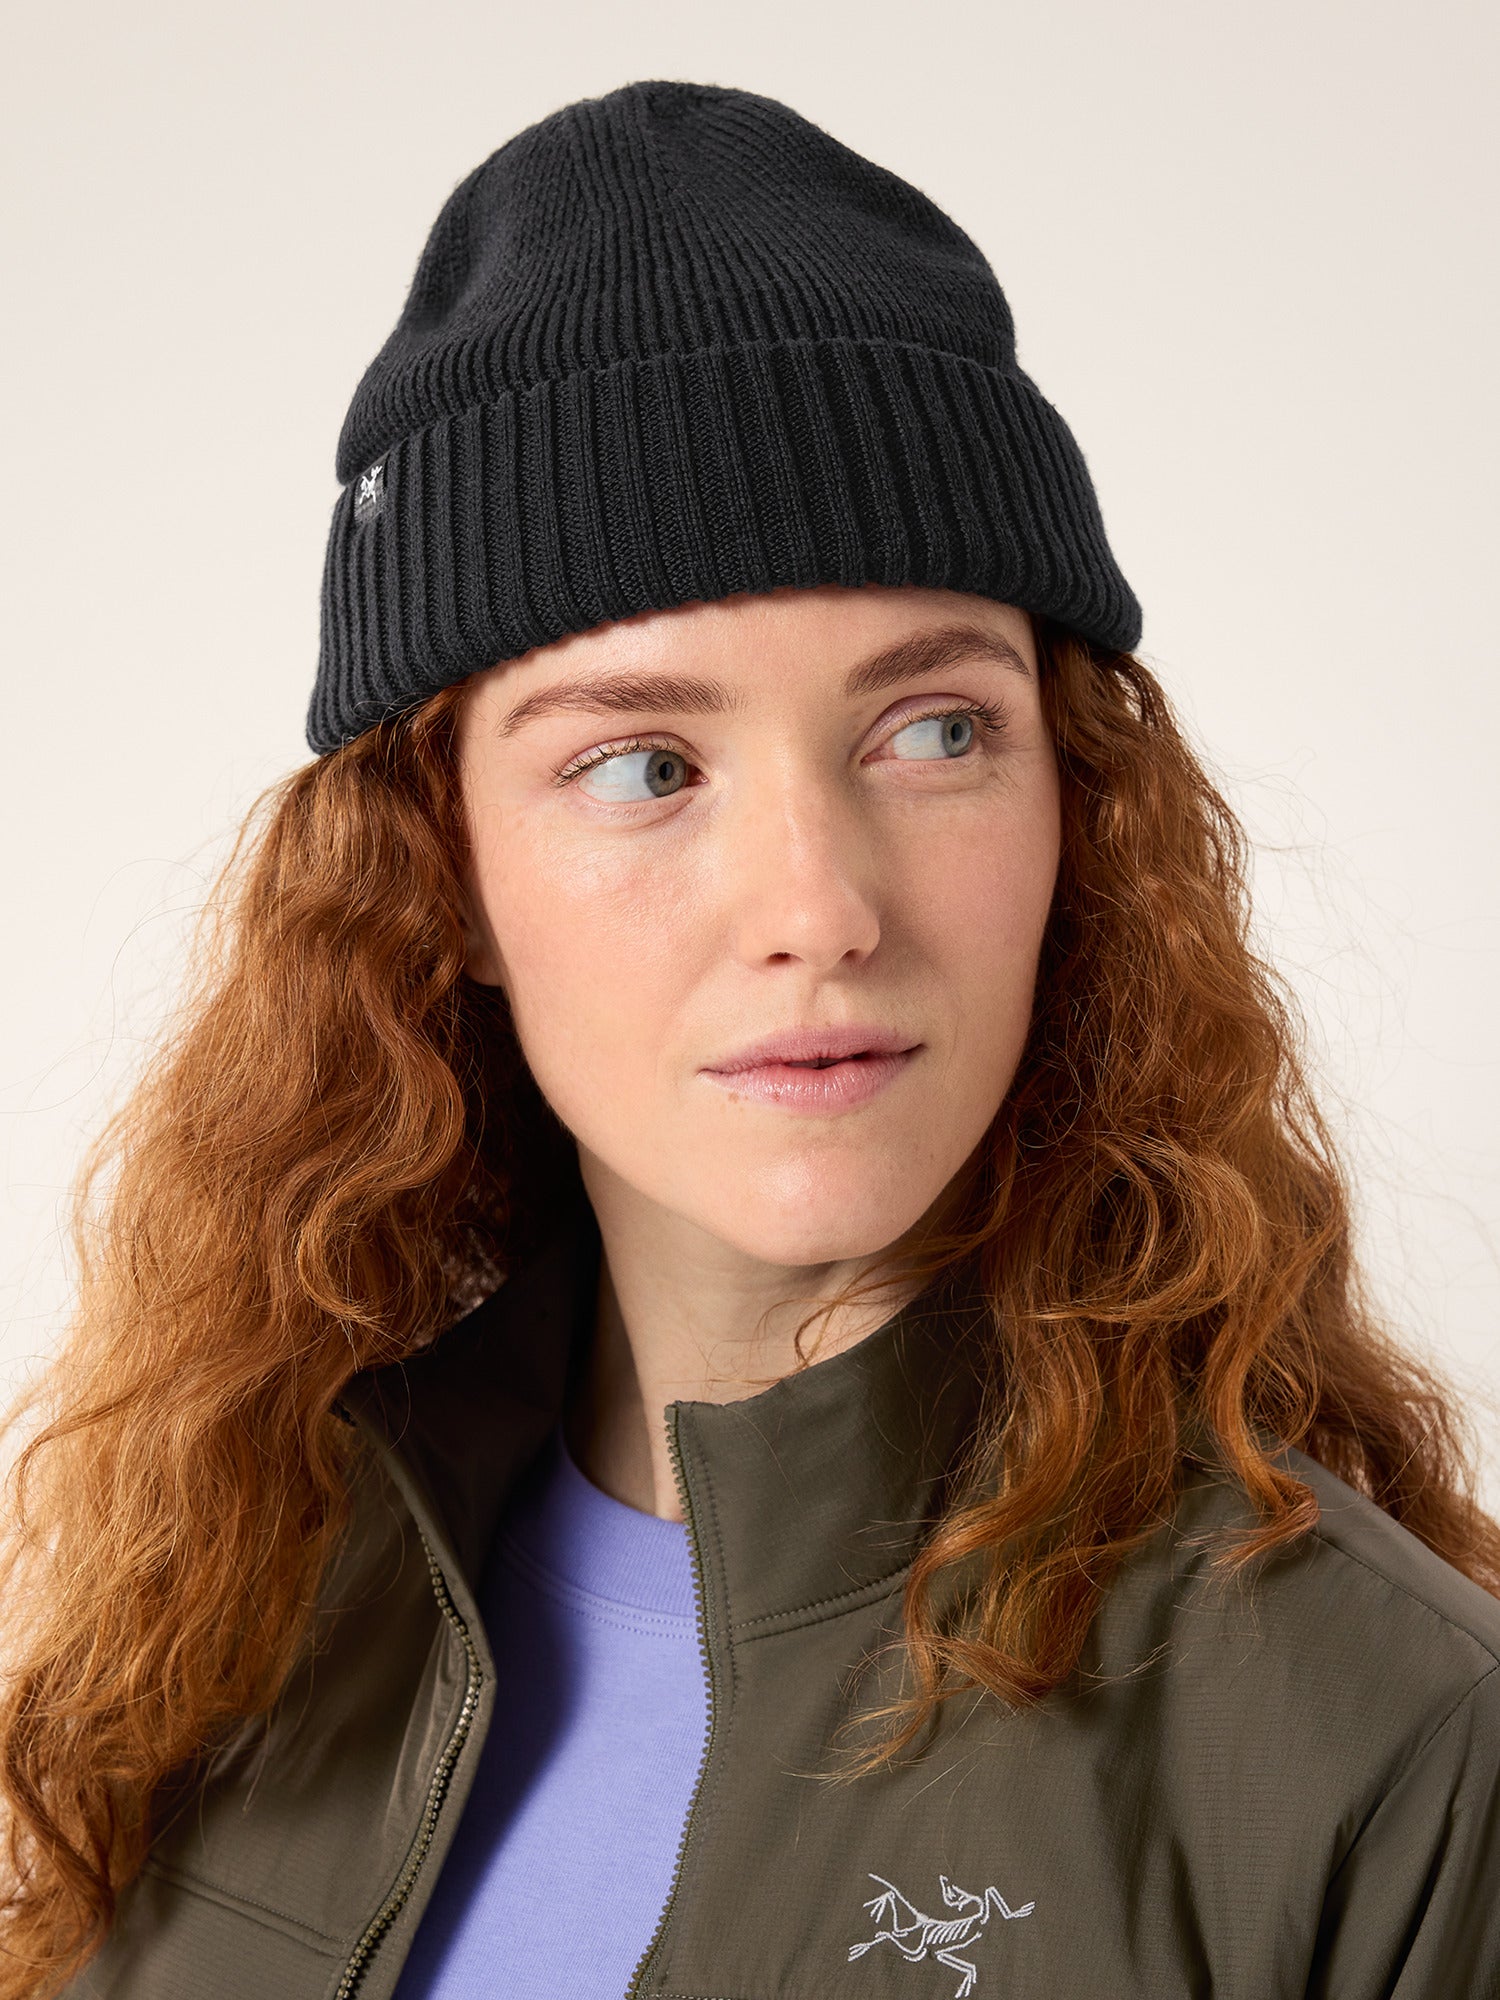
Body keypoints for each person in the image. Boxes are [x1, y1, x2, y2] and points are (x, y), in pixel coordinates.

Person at [1, 77, 1496, 2000]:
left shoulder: (1387, 1751)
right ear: (441, 875)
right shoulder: (221, 1626)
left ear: (1081, 807)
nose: (820, 906)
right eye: (645, 763)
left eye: (935, 732)